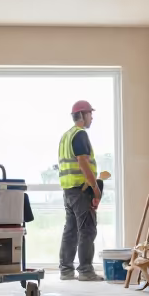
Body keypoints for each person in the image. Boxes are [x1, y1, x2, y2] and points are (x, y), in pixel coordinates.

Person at [58, 100, 104, 281]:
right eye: (90, 114)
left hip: (68, 191)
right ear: (83, 115)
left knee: (71, 229)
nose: (92, 117)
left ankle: (66, 270)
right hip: (81, 190)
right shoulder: (80, 134)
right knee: (87, 229)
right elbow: (83, 162)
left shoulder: (66, 136)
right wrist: (95, 188)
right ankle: (85, 271)